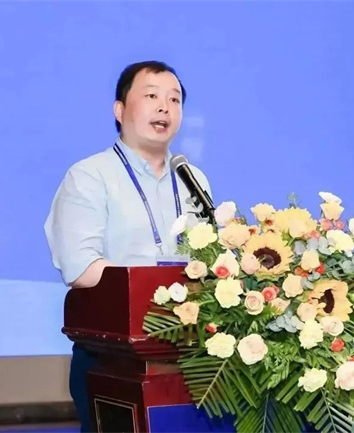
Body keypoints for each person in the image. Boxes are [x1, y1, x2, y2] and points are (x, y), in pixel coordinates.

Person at [43, 60, 212, 432]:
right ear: (119, 110)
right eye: (151, 96)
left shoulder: (193, 180)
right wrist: (153, 288)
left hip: (192, 358)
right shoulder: (90, 176)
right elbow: (80, 268)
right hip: (113, 358)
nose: (165, 107)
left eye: (175, 99)